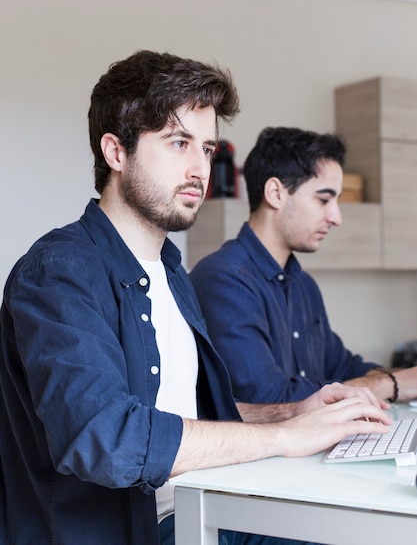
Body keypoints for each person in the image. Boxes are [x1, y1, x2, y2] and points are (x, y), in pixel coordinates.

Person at [0, 53, 391, 545]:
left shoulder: (169, 272)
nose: (199, 168)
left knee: (360, 532)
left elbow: (186, 416)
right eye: (178, 142)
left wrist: (294, 413)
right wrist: (286, 438)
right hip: (136, 530)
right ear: (116, 151)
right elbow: (106, 437)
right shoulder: (58, 273)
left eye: (206, 148)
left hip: (200, 510)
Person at [190, 126, 417, 406]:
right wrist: (388, 385)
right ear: (275, 193)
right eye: (323, 199)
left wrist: (405, 378)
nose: (336, 217)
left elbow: (344, 369)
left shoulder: (304, 285)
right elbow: (268, 398)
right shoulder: (224, 280)